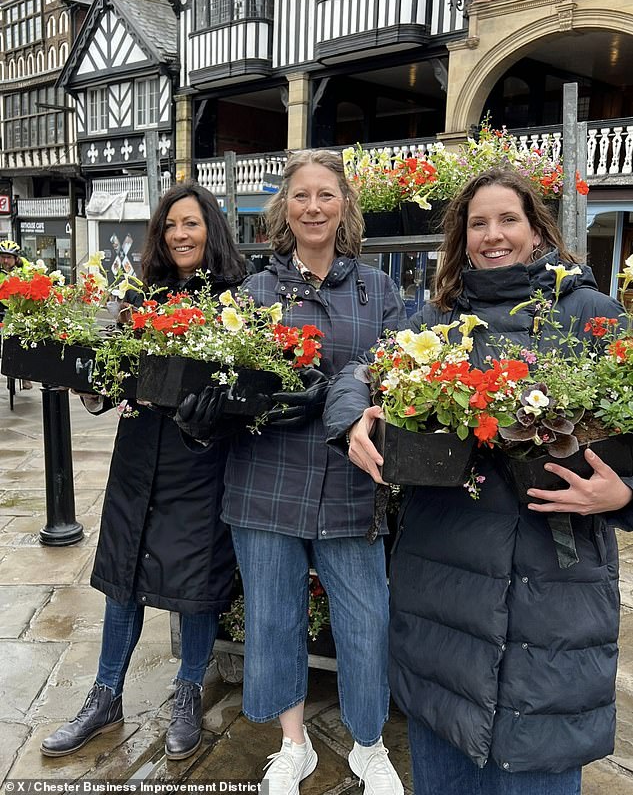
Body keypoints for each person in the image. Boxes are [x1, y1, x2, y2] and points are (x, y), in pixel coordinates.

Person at [324, 167, 633, 795]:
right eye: (478, 224)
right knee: (446, 755)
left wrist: (624, 495)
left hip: (555, 589)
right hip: (443, 581)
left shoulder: (592, 315)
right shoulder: (436, 318)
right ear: (461, 238)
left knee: (537, 759)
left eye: (508, 220)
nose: (493, 236)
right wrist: (353, 415)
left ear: (537, 228)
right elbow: (361, 368)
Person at [175, 150, 406, 794]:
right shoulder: (255, 291)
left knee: (366, 619)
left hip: (350, 482)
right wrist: (216, 411)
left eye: (326, 196)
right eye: (300, 196)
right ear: (284, 208)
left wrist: (358, 398)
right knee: (274, 615)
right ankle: (294, 743)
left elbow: (394, 372)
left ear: (344, 208)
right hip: (265, 476)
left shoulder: (379, 289)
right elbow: (228, 377)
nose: (313, 207)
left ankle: (368, 743)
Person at [40, 181, 246, 761]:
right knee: (124, 572)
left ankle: (186, 693)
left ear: (212, 230)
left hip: (199, 460)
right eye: (171, 225)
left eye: (192, 224)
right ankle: (105, 694)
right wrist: (90, 388)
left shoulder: (236, 300)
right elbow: (110, 380)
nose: (180, 235)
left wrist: (214, 416)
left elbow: (247, 397)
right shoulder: (140, 299)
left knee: (195, 585)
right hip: (138, 455)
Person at [0, 239, 32, 389]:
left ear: (16, 258)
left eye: (9, 257)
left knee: (25, 339)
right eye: (3, 257)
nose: (5, 261)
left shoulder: (25, 268)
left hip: (20, 306)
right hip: (1, 304)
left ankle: (25, 375)